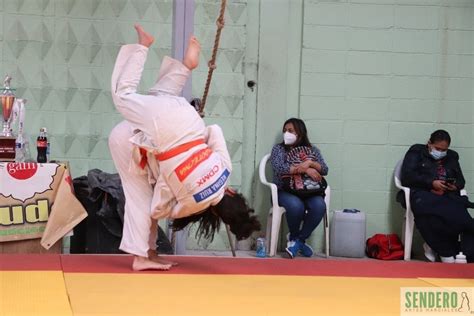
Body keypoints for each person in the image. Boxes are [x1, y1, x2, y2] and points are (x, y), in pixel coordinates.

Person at [109, 24, 260, 271]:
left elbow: (216, 131)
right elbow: (159, 209)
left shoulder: (225, 169)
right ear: (217, 213)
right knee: (122, 95)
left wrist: (197, 143)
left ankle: (185, 67)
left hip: (187, 119)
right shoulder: (195, 203)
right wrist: (172, 188)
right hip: (159, 137)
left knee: (161, 94)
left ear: (232, 193)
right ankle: (142, 46)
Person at [399, 129, 474, 263]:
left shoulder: (452, 157)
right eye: (437, 148)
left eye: (444, 150)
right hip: (423, 194)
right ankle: (443, 250)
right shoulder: (417, 152)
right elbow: (407, 177)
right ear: (429, 143)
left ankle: (452, 250)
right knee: (434, 215)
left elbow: (461, 181)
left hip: (447, 196)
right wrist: (431, 183)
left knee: (465, 221)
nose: (440, 152)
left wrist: (454, 186)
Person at [270, 118, 329, 258]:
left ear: (300, 133)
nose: (286, 133)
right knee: (296, 206)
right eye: (284, 130)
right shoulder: (278, 149)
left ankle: (298, 240)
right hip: (286, 190)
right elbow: (279, 168)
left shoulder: (313, 150)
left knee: (320, 206)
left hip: (309, 190)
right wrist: (305, 170)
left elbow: (325, 169)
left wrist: (310, 163)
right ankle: (297, 239)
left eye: (290, 131)